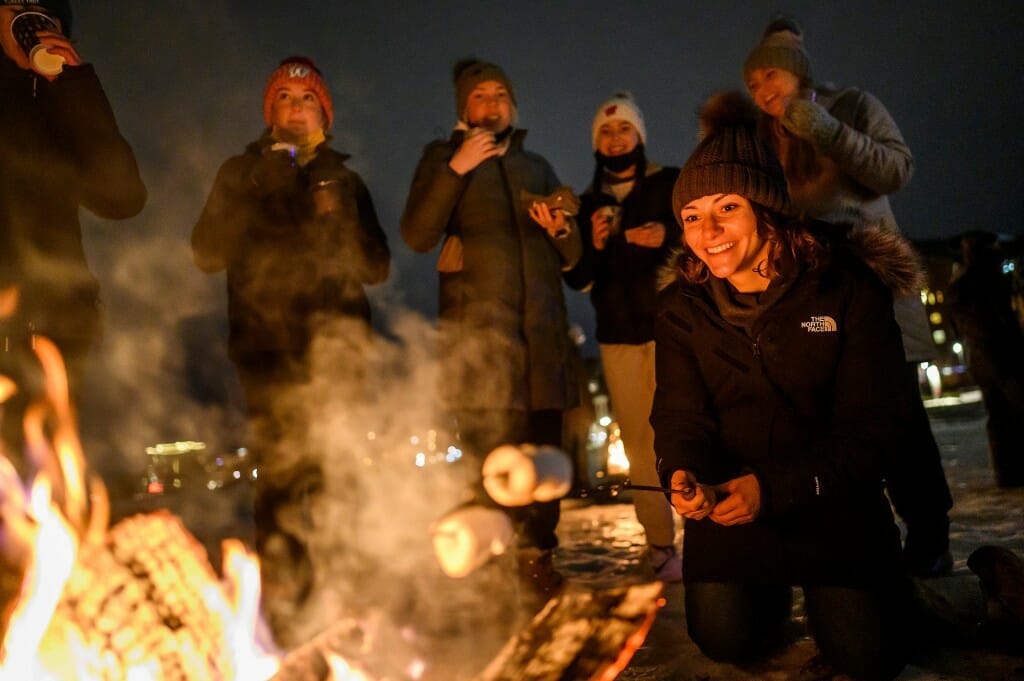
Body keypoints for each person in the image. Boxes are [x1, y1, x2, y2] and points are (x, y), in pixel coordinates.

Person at [652, 91, 918, 681]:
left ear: (766, 207)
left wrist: (772, 488)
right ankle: (763, 595)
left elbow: (876, 426)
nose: (707, 231)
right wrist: (682, 473)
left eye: (726, 209)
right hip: (729, 507)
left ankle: (877, 596)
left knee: (870, 658)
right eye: (691, 217)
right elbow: (678, 416)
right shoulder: (681, 309)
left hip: (832, 502)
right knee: (725, 639)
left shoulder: (844, 287)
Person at [742, 15, 954, 578]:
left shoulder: (854, 105)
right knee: (831, 426)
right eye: (753, 82)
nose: (762, 90)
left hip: (869, 280)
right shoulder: (756, 135)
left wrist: (828, 132)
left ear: (797, 74)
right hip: (804, 293)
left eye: (771, 76)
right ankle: (857, 540)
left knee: (898, 417)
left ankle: (930, 534)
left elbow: (896, 169)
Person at [191, 56, 390, 642]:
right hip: (266, 353)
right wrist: (254, 191)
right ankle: (284, 613)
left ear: (323, 111)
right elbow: (205, 253)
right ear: (270, 111)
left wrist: (339, 220)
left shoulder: (344, 179)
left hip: (341, 354)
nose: (295, 107)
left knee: (340, 482)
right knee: (278, 486)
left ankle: (346, 609)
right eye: (283, 97)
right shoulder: (240, 172)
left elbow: (375, 268)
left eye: (306, 99)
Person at [401, 59, 581, 600]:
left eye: (501, 95)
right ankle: (485, 571)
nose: (492, 104)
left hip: (542, 340)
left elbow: (573, 258)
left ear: (514, 107)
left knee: (545, 463)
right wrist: (458, 167)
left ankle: (536, 560)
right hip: (479, 344)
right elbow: (416, 235)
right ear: (463, 108)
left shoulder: (537, 166)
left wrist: (561, 228)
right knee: (489, 466)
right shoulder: (441, 159)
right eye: (480, 96)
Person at [0, 0, 146, 466]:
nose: (30, 24)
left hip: (59, 327)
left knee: (47, 487)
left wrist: (76, 85)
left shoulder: (65, 102)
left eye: (43, 16)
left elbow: (122, 198)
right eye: (16, 11)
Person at [563, 92, 682, 581]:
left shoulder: (669, 184)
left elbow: (700, 240)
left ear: (640, 136)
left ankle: (716, 528)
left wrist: (667, 238)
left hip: (674, 328)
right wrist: (591, 243)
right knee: (638, 440)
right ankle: (659, 544)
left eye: (624, 130)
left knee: (690, 428)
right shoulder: (589, 203)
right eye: (606, 133)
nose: (615, 139)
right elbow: (578, 279)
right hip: (617, 336)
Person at [947, 230, 1024, 487]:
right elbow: (1002, 320)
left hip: (979, 358)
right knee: (1015, 411)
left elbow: (955, 327)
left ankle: (1007, 473)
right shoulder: (989, 280)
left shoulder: (958, 285)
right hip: (1001, 355)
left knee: (997, 416)